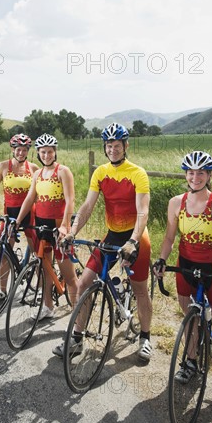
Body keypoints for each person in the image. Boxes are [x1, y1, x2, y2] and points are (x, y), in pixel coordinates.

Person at [53, 122, 152, 361]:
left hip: (135, 236)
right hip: (111, 234)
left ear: (126, 146)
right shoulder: (101, 172)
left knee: (139, 290)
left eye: (117, 145)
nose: (113, 149)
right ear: (105, 147)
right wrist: (72, 232)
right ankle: (76, 338)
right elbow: (87, 207)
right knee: (85, 282)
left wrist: (133, 241)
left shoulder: (137, 173)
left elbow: (142, 211)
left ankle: (145, 337)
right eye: (109, 145)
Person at [153, 151, 212, 414]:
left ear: (210, 175)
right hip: (185, 266)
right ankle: (191, 361)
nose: (195, 177)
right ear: (185, 175)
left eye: (201, 172)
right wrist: (161, 259)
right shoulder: (175, 203)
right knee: (190, 318)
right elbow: (170, 238)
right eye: (191, 173)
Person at [15, 133, 79, 320]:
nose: (46, 155)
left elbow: (70, 200)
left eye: (50, 152)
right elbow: (29, 199)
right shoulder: (37, 174)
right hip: (41, 226)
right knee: (43, 269)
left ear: (55, 152)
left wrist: (66, 226)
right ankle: (47, 307)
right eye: (43, 152)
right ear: (38, 153)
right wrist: (18, 221)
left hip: (58, 226)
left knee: (69, 276)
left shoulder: (63, 171)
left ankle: (78, 317)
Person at [0, 133, 38, 304]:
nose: (21, 153)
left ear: (28, 151)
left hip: (30, 215)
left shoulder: (34, 168)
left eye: (24, 150)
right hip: (10, 215)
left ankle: (41, 288)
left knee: (39, 254)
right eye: (18, 149)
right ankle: (2, 291)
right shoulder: (2, 166)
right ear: (12, 150)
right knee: (4, 253)